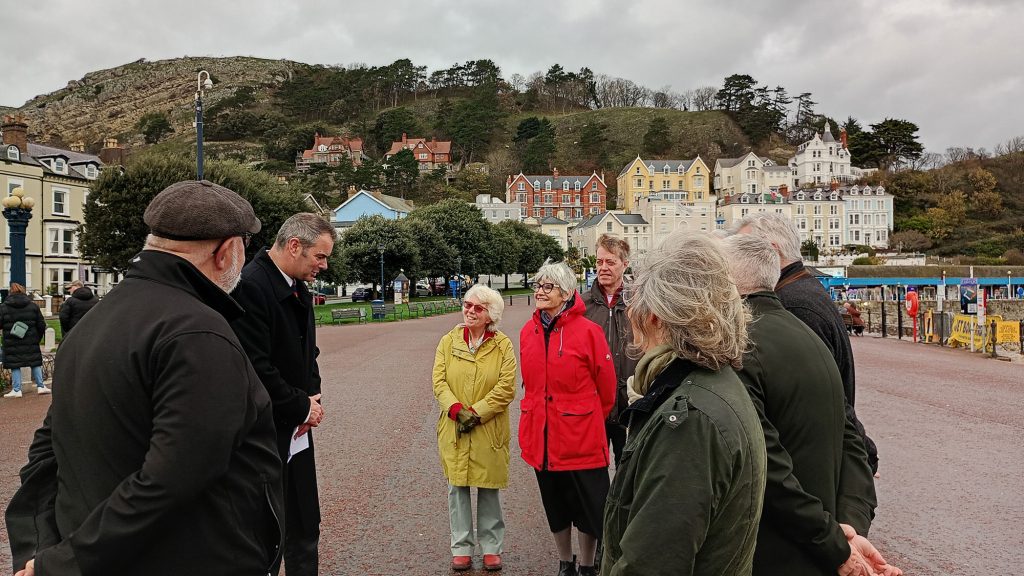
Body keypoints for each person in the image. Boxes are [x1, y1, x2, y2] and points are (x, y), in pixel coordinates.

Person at [4, 179, 284, 576]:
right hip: (193, 559)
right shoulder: (196, 331)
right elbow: (173, 480)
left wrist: (41, 553)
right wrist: (65, 563)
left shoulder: (93, 322)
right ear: (226, 251)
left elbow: (46, 455)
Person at [721, 234, 900, 576]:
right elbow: (852, 440)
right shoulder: (809, 338)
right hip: (821, 545)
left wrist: (834, 541)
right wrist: (850, 527)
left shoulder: (741, 348)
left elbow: (766, 466)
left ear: (726, 283)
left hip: (775, 551)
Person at [601, 231, 767, 576]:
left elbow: (651, 562)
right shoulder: (713, 383)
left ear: (657, 316)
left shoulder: (690, 419)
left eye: (638, 300)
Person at [735, 212, 879, 475]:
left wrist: (862, 454)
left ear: (771, 251)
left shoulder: (793, 304)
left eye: (742, 248)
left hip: (806, 464)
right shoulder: (803, 291)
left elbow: (821, 392)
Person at [231, 212, 333, 576]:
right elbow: (255, 365)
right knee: (267, 526)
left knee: (305, 522)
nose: (323, 265)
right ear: (294, 245)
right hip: (266, 430)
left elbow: (309, 353)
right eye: (319, 256)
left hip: (296, 426)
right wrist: (300, 406)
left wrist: (313, 398)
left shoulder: (296, 286)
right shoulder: (251, 286)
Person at [519, 260, 615, 576]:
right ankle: (565, 562)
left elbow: (607, 388)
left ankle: (587, 564)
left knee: (589, 508)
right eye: (538, 286)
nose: (540, 292)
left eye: (548, 287)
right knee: (555, 506)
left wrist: (583, 419)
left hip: (581, 439)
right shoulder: (527, 332)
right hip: (542, 438)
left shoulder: (590, 332)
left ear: (565, 292)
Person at [432, 285, 517, 572]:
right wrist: (456, 410)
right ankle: (461, 546)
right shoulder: (449, 341)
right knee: (457, 489)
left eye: (477, 308)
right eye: (467, 305)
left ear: (490, 314)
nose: (469, 311)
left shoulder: (502, 344)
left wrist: (477, 413)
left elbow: (506, 387)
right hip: (454, 426)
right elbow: (439, 381)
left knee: (489, 488)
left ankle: (492, 547)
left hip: (487, 427)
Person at [582, 234, 636, 468]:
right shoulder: (582, 306)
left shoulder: (640, 303)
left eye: (610, 262)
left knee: (630, 468)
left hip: (631, 402)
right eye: (599, 261)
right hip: (594, 404)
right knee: (594, 470)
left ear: (625, 264)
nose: (603, 268)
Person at [1, 283, 50, 398]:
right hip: (31, 339)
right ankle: (41, 386)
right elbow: (41, 324)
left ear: (10, 292)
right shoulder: (33, 306)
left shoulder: (3, 307)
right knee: (35, 362)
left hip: (12, 340)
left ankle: (17, 389)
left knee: (15, 364)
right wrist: (37, 337)